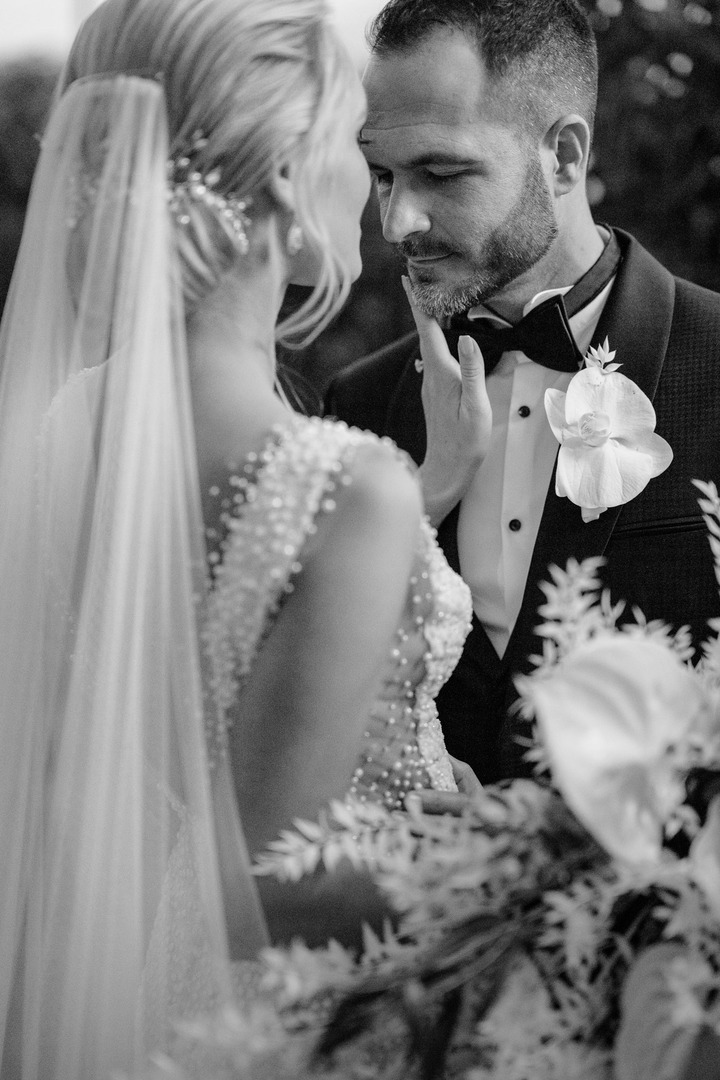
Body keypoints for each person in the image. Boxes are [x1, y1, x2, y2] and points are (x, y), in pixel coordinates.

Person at [0, 0, 481, 1076]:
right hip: (315, 1025)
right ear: (280, 180)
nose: (380, 197)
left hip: (132, 1001)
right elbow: (261, 886)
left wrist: (428, 497)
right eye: (356, 150)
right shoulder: (345, 487)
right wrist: (502, 860)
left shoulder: (71, 423)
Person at [326, 0, 720, 786]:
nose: (398, 221)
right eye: (381, 174)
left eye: (441, 172)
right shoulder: (360, 408)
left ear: (565, 158)